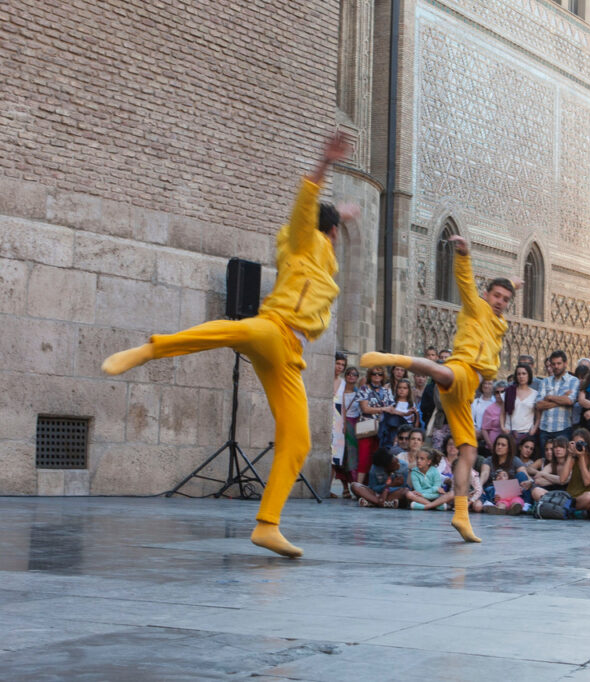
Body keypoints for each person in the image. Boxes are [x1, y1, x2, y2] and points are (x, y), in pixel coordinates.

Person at [101, 132, 359, 558]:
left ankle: (267, 525)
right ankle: (150, 348)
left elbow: (321, 223)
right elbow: (305, 202)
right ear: (327, 233)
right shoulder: (301, 240)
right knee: (230, 330)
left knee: (296, 441)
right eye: (333, 233)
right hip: (273, 329)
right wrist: (324, 163)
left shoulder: (324, 261)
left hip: (289, 357)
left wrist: (341, 216)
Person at [359, 234, 519, 543]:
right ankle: (393, 358)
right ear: (487, 294)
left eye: (505, 298)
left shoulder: (499, 323)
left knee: (469, 452)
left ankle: (461, 514)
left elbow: (506, 291)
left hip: (469, 389)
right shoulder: (476, 306)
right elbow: (465, 283)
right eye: (496, 296)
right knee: (441, 371)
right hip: (462, 368)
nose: (499, 301)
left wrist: (514, 283)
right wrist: (463, 255)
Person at [535, 350, 580, 447]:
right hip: (545, 428)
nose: (556, 366)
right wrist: (561, 399)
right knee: (545, 460)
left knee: (562, 460)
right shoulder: (545, 382)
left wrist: (549, 397)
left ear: (565, 363)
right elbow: (538, 405)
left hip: (563, 428)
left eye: (559, 363)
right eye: (553, 364)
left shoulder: (573, 381)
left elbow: (569, 401)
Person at [563, 429, 590, 513]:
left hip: (587, 497)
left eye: (580, 443)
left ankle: (566, 508)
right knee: (537, 491)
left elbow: (587, 481)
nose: (578, 446)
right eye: (576, 443)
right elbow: (562, 479)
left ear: (588, 443)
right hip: (572, 496)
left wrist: (581, 457)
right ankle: (569, 508)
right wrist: (570, 455)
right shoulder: (573, 457)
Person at [333, 365, 361, 495]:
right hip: (343, 424)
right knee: (343, 455)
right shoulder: (341, 391)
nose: (351, 376)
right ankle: (345, 487)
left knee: (353, 456)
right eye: (349, 374)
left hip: (355, 424)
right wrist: (343, 424)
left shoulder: (359, 392)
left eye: (354, 374)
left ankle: (353, 484)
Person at [502, 363, 540, 442]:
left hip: (527, 433)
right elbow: (502, 413)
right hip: (510, 431)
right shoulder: (509, 391)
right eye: (518, 374)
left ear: (529, 375)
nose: (521, 376)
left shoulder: (535, 394)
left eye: (524, 374)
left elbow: (538, 416)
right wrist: (503, 427)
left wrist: (534, 429)